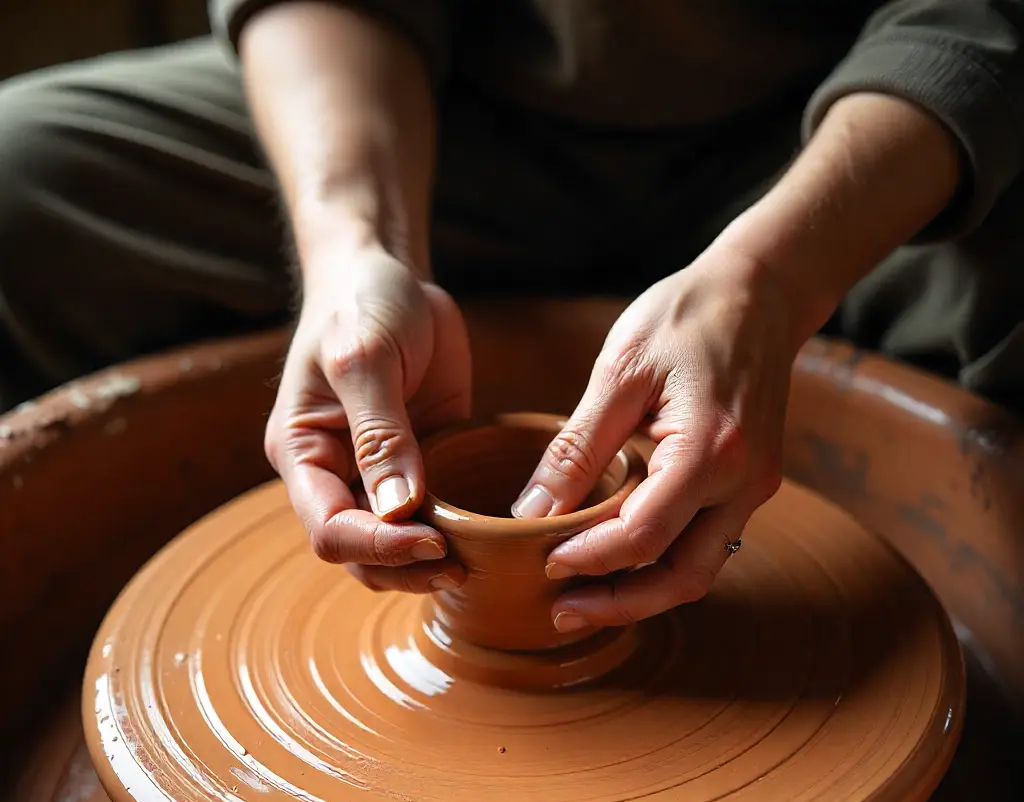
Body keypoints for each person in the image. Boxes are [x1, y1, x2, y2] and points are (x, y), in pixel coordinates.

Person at [1, 1, 1022, 632]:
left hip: (839, 130)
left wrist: (772, 281)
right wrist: (357, 245)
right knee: (22, 184)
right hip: (451, 113)